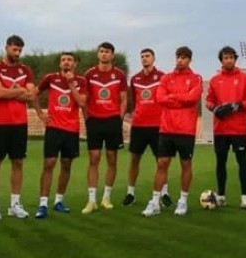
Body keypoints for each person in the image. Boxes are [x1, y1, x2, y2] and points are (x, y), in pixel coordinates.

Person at [142, 47, 203, 217]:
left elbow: (193, 98)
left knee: (186, 164)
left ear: (189, 60)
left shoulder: (196, 78)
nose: (180, 60)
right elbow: (160, 98)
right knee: (162, 163)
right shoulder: (166, 78)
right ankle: (155, 202)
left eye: (184, 58)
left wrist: (173, 97)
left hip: (186, 129)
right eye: (178, 57)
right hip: (167, 128)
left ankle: (183, 201)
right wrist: (181, 98)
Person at [0, 35, 37, 221]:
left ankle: (15, 205)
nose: (17, 53)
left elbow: (31, 96)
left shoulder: (26, 70)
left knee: (18, 163)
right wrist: (20, 90)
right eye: (14, 49)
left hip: (20, 123)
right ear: (6, 48)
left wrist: (11, 92)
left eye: (20, 50)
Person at [34, 52, 88, 218]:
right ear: (59, 64)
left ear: (75, 64)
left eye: (69, 60)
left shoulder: (81, 81)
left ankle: (58, 201)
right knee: (49, 163)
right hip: (54, 127)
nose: (66, 62)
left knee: (66, 164)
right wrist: (40, 113)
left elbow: (82, 102)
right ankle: (43, 204)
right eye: (63, 60)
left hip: (71, 129)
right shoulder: (51, 78)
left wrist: (71, 83)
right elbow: (34, 93)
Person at [205, 46, 246, 208]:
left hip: (239, 129)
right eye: (225, 58)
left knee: (242, 161)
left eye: (231, 57)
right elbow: (209, 101)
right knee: (220, 162)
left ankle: (244, 197)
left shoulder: (245, 78)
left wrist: (238, 105)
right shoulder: (215, 80)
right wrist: (215, 109)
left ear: (235, 59)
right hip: (220, 129)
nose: (228, 60)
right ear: (221, 60)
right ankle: (221, 196)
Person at [81, 42, 129, 213]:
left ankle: (106, 198)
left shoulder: (119, 74)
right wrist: (87, 119)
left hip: (112, 121)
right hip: (94, 121)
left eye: (107, 52)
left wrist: (119, 118)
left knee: (112, 158)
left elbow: (123, 99)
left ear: (112, 55)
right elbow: (84, 99)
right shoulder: (89, 74)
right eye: (101, 51)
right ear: (98, 54)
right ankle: (91, 200)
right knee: (94, 158)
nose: (103, 54)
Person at [125, 48, 172, 207]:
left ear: (154, 58)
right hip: (139, 125)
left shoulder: (163, 77)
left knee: (161, 161)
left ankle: (164, 193)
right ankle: (130, 193)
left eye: (147, 56)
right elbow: (134, 100)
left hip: (158, 126)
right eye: (142, 56)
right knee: (134, 159)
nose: (145, 58)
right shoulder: (135, 79)